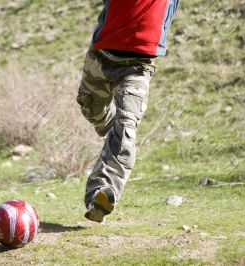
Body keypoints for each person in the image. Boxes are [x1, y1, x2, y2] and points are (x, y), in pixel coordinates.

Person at [77, 0, 180, 223]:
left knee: (126, 131)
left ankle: (100, 194)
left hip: (138, 66)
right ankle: (115, 132)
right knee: (90, 108)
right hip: (102, 55)